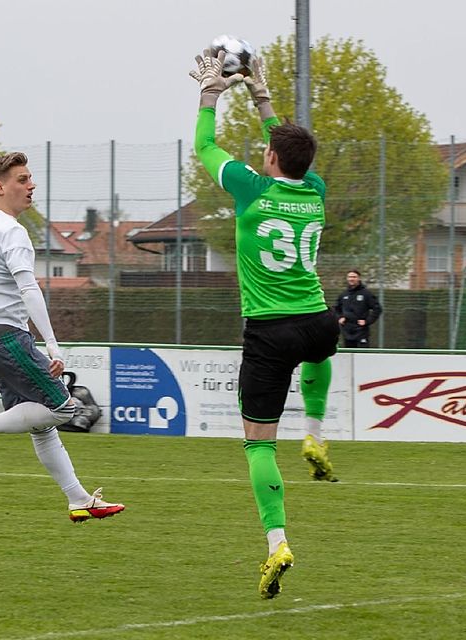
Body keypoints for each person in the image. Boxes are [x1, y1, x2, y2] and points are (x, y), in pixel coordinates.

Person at [191, 49, 340, 598]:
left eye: (267, 149)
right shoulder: (316, 190)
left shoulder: (253, 188)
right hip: (318, 320)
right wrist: (263, 99)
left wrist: (210, 94)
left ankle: (276, 541)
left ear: (272, 159)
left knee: (257, 445)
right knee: (324, 352)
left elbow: (205, 146)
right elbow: (291, 146)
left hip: (269, 330)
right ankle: (317, 434)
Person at [0, 151, 125, 523]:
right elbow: (30, 289)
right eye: (22, 180)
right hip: (9, 339)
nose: (31, 186)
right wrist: (51, 343)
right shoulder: (11, 230)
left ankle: (78, 499)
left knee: (42, 425)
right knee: (63, 408)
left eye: (31, 179)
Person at [334, 269, 382, 348]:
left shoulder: (366, 294)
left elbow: (377, 309)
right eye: (349, 277)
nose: (351, 279)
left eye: (354, 277)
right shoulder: (343, 294)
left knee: (362, 355)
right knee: (349, 354)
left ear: (359, 278)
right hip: (347, 331)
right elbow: (336, 308)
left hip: (361, 331)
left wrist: (367, 321)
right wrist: (340, 317)